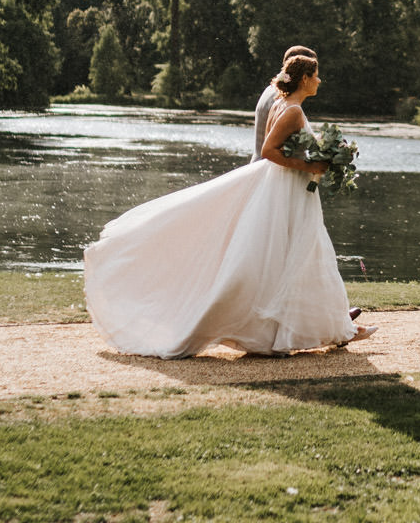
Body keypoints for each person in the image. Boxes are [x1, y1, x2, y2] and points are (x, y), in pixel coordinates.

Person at [84, 51, 374, 358]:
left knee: (296, 255)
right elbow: (269, 150)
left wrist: (322, 156)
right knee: (299, 252)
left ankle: (318, 327)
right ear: (304, 79)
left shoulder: (287, 105)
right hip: (284, 191)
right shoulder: (290, 111)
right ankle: (331, 328)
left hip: (289, 191)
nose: (319, 80)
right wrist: (310, 167)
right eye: (315, 75)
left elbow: (290, 149)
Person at [253, 45, 316, 162]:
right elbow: (273, 148)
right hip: (273, 169)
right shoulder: (282, 97)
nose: (317, 78)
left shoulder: (271, 90)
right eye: (313, 72)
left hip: (261, 164)